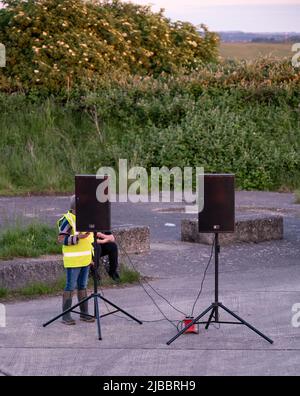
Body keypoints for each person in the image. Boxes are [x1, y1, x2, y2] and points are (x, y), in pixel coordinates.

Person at [57, 195, 120, 325]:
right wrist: (77, 237)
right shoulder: (68, 220)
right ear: (76, 207)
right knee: (70, 286)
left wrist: (91, 258)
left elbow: (90, 241)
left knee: (83, 285)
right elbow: (61, 239)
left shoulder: (86, 220)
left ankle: (84, 314)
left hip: (85, 260)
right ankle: (66, 315)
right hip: (73, 261)